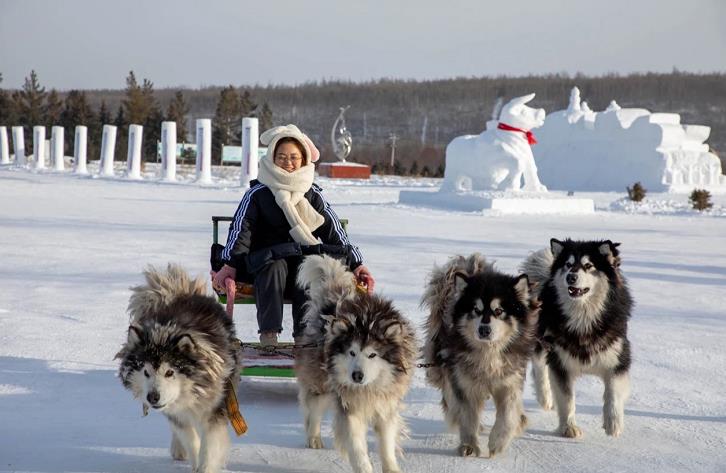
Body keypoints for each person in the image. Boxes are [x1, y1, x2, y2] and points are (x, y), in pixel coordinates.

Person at [212, 124, 375, 347]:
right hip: (265, 264)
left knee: (309, 269)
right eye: (281, 157)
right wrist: (230, 264)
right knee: (274, 266)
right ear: (271, 158)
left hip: (300, 261)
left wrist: (356, 263)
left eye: (294, 157)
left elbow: (335, 231)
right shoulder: (258, 193)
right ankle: (269, 334)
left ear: (304, 159)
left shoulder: (312, 193)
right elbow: (242, 229)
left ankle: (304, 336)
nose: (288, 162)